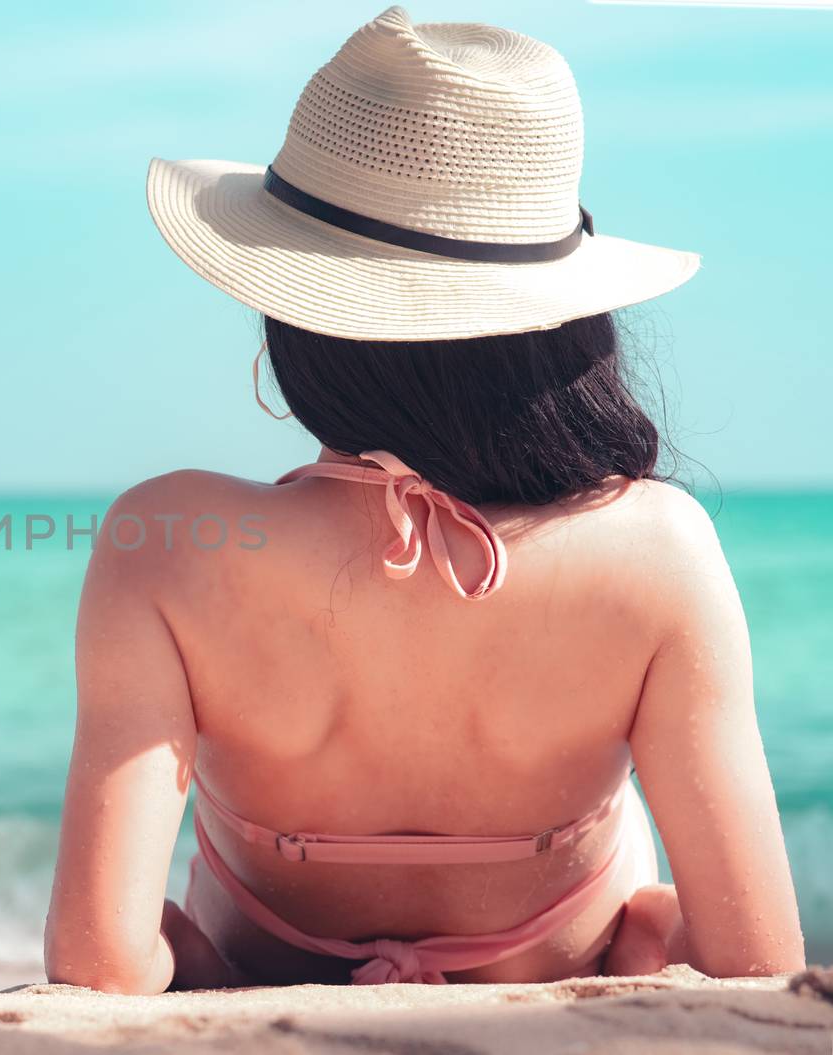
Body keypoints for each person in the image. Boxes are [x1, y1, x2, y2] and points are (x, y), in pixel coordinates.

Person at [43, 6, 804, 992]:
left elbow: (98, 964)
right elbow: (756, 962)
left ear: (298, 311)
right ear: (560, 322)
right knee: (651, 911)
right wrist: (650, 942)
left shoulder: (167, 541)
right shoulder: (655, 552)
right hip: (551, 976)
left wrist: (198, 971)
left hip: (262, 975)